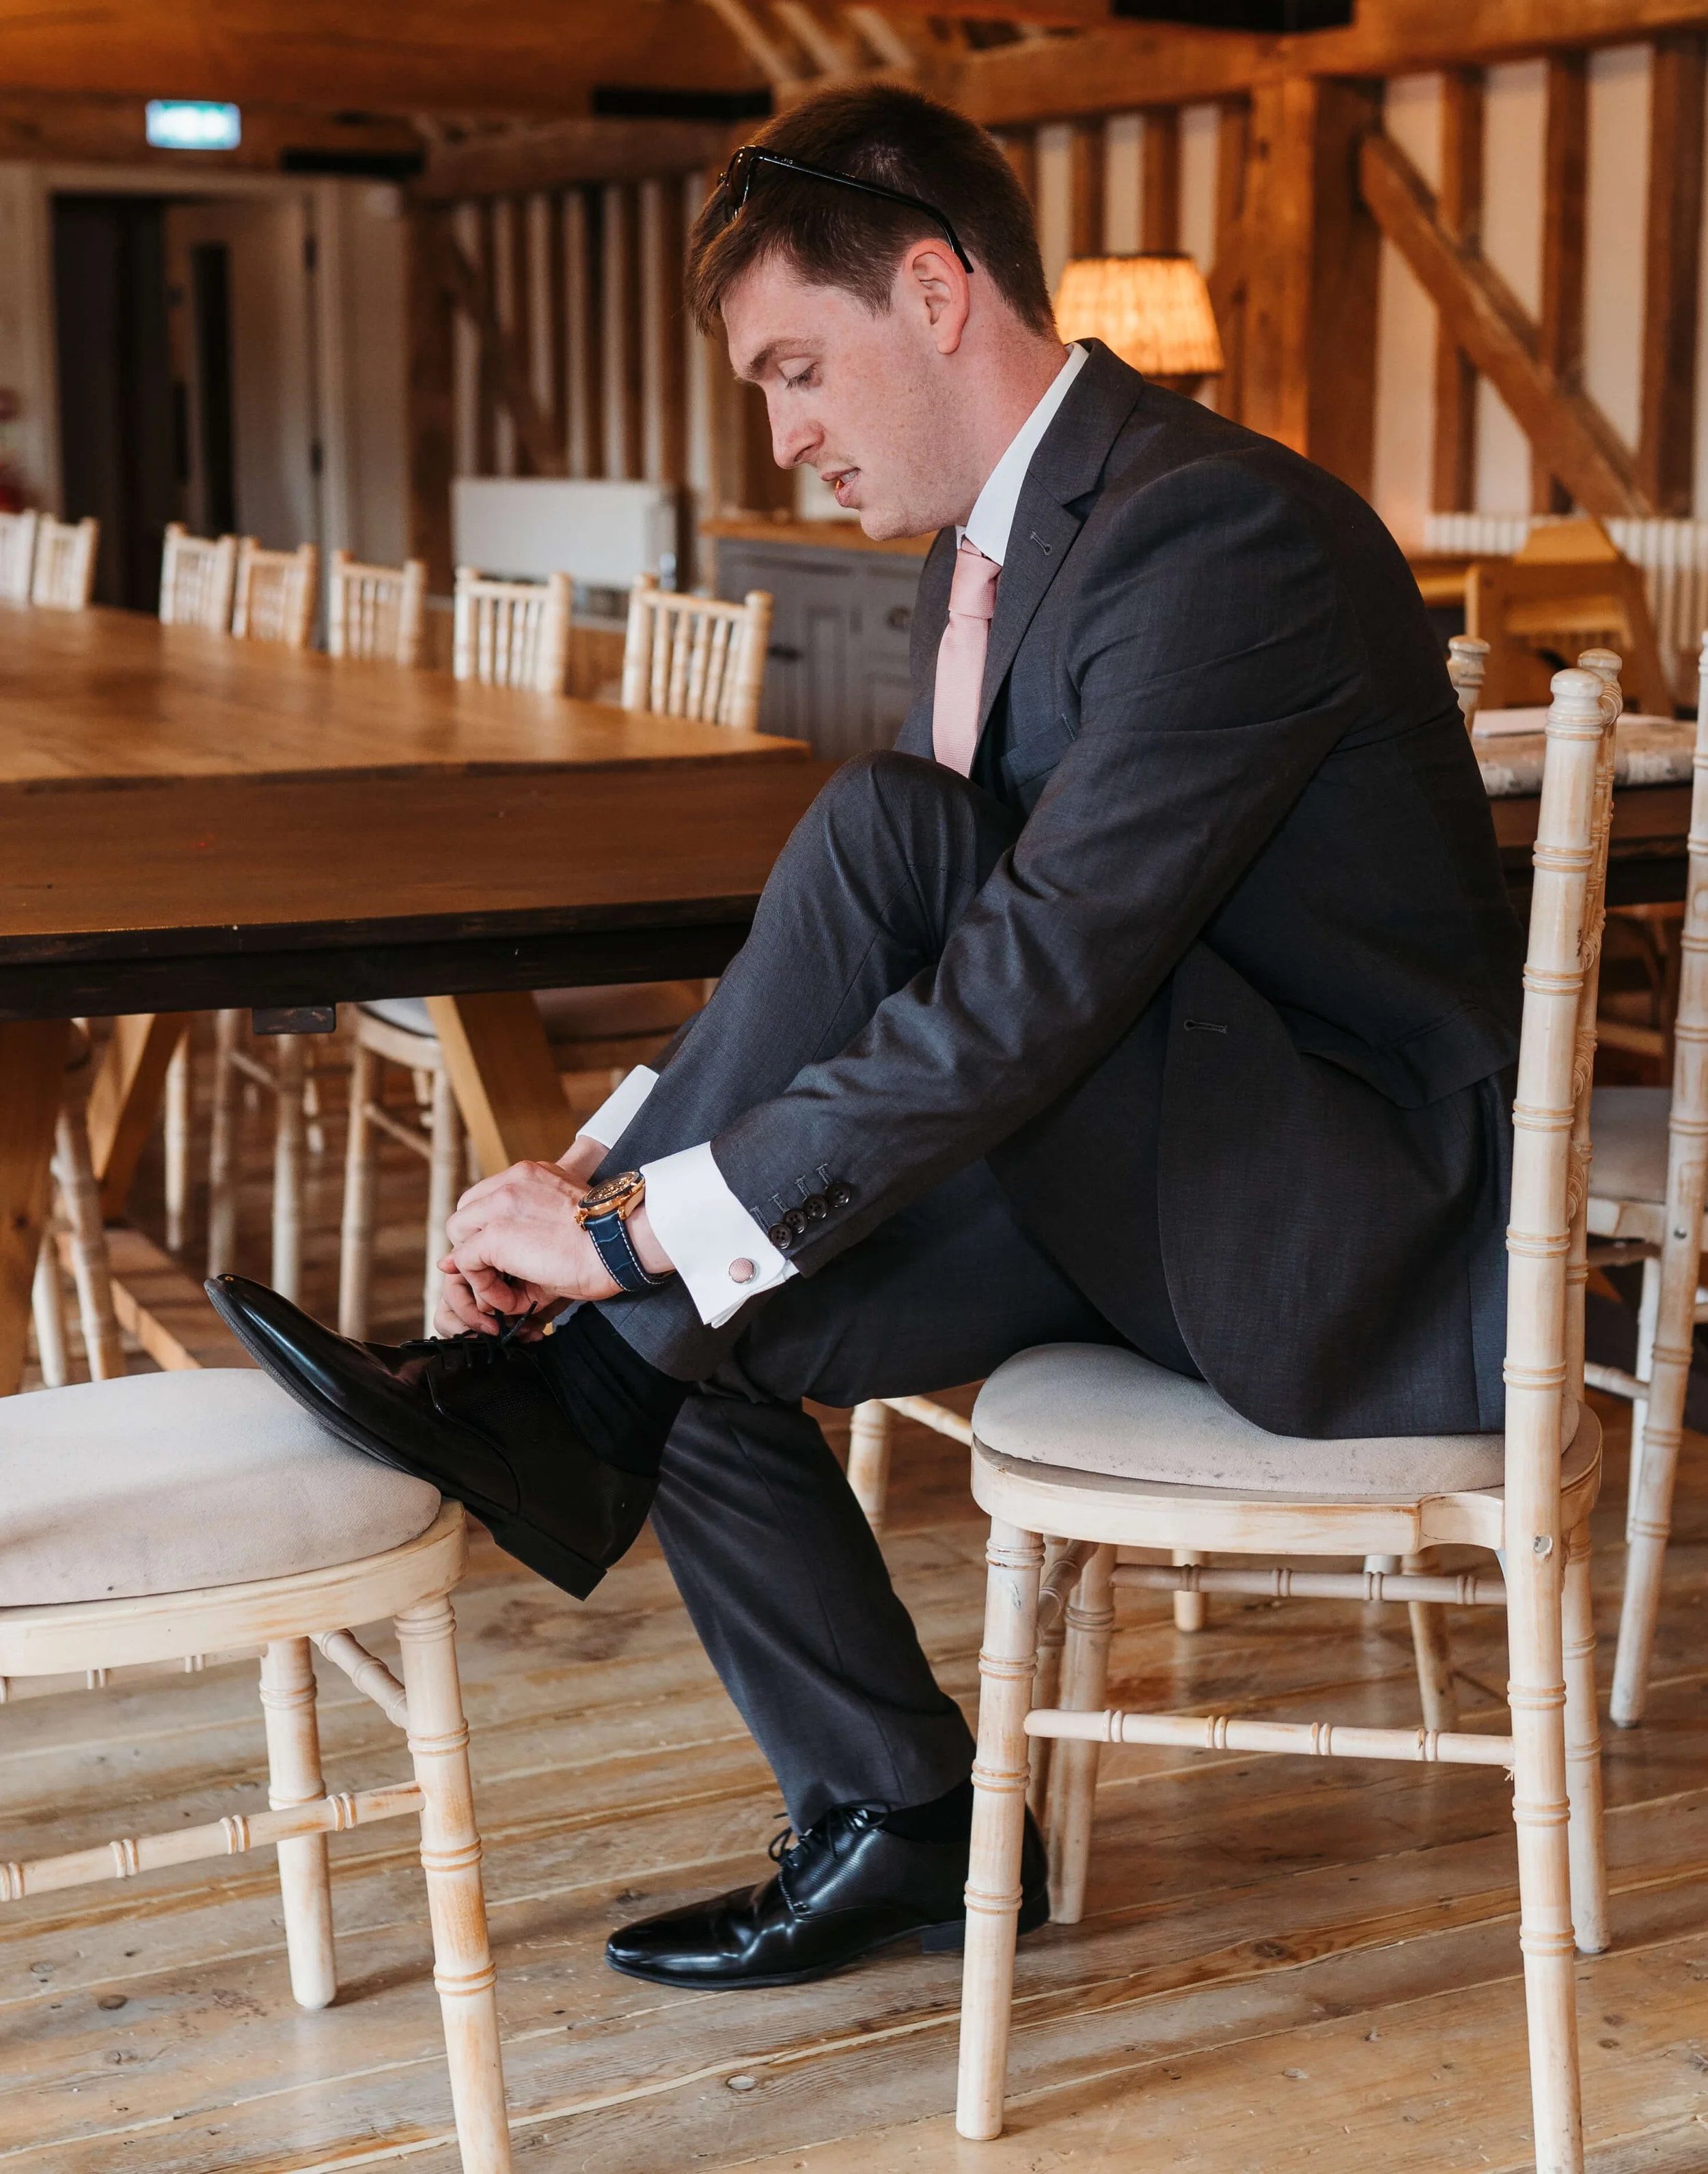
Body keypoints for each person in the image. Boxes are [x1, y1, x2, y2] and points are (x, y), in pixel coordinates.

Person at [210, 81, 1524, 1992]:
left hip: (1337, 1244)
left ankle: (573, 1392)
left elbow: (1025, 981)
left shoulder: (1217, 531)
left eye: (794, 368)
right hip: (1140, 1170)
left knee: (852, 901)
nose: (785, 433)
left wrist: (633, 1218)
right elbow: (915, 983)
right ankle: (898, 1816)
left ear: (933, 289)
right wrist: (612, 1190)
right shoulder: (983, 562)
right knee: (689, 1321)